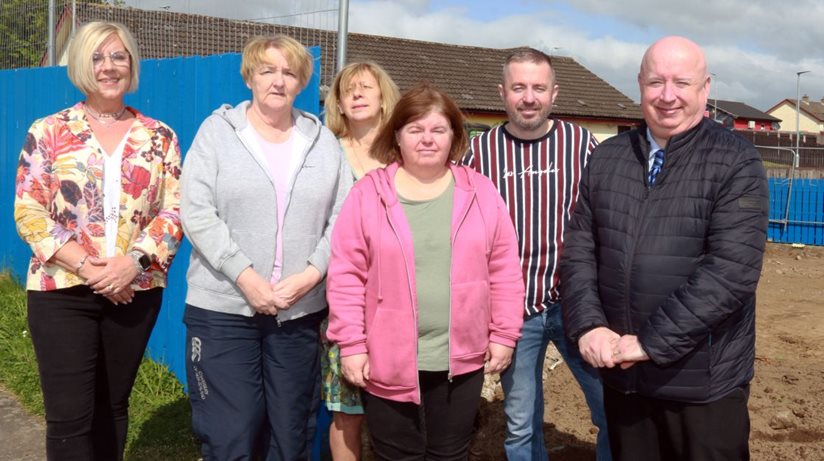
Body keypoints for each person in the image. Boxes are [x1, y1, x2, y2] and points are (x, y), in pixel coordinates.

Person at [560, 36, 769, 461]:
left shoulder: (736, 162)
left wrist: (651, 343)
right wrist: (588, 326)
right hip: (625, 378)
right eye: (656, 82)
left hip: (703, 384)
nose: (667, 95)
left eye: (682, 82)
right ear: (640, 84)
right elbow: (580, 250)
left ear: (705, 88)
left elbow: (731, 271)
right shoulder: (607, 158)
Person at [326, 82, 525, 461]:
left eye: (438, 130)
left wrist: (503, 335)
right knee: (396, 454)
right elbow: (346, 275)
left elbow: (504, 269)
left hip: (460, 358)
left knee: (450, 453)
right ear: (397, 135)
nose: (427, 140)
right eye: (415, 130)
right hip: (386, 358)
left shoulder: (481, 193)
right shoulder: (369, 195)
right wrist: (351, 345)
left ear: (454, 136)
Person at [13, 21, 182, 460]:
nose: (109, 67)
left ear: (132, 64)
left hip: (134, 290)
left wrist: (134, 263)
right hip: (62, 289)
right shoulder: (49, 130)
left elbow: (174, 211)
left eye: (118, 56)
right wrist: (88, 268)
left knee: (112, 407)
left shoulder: (160, 137)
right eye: (97, 57)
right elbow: (29, 210)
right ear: (82, 66)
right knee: (69, 417)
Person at [179, 35, 352, 460]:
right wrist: (246, 276)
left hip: (298, 311)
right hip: (223, 309)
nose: (278, 81)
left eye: (289, 72)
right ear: (250, 78)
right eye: (267, 71)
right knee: (230, 433)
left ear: (302, 82)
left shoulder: (323, 142)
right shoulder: (217, 133)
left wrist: (312, 274)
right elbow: (196, 210)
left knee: (290, 435)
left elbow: (343, 219)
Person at [462, 48, 611, 460]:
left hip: (575, 305)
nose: (529, 97)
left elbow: (606, 214)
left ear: (554, 93)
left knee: (610, 409)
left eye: (538, 88)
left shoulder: (581, 144)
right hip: (513, 311)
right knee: (521, 421)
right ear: (503, 93)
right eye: (519, 87)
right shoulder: (480, 153)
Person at [321, 61, 399, 461]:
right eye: (347, 90)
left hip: (397, 300)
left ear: (384, 97)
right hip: (341, 297)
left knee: (398, 409)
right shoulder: (324, 150)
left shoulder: (404, 153)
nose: (355, 95)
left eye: (365, 87)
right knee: (346, 409)